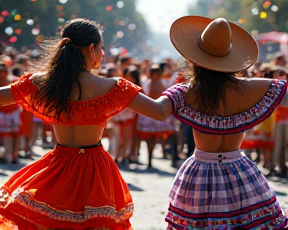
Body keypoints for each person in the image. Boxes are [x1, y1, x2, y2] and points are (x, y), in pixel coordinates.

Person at [0, 18, 172, 230]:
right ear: (91, 48)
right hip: (95, 170)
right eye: (102, 48)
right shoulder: (112, 87)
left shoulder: (42, 82)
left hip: (58, 166)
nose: (103, 53)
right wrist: (183, 90)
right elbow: (160, 111)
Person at [161, 16, 288, 228]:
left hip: (199, 171)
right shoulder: (251, 87)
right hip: (239, 170)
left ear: (194, 59)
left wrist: (117, 89)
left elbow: (157, 110)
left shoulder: (189, 92)